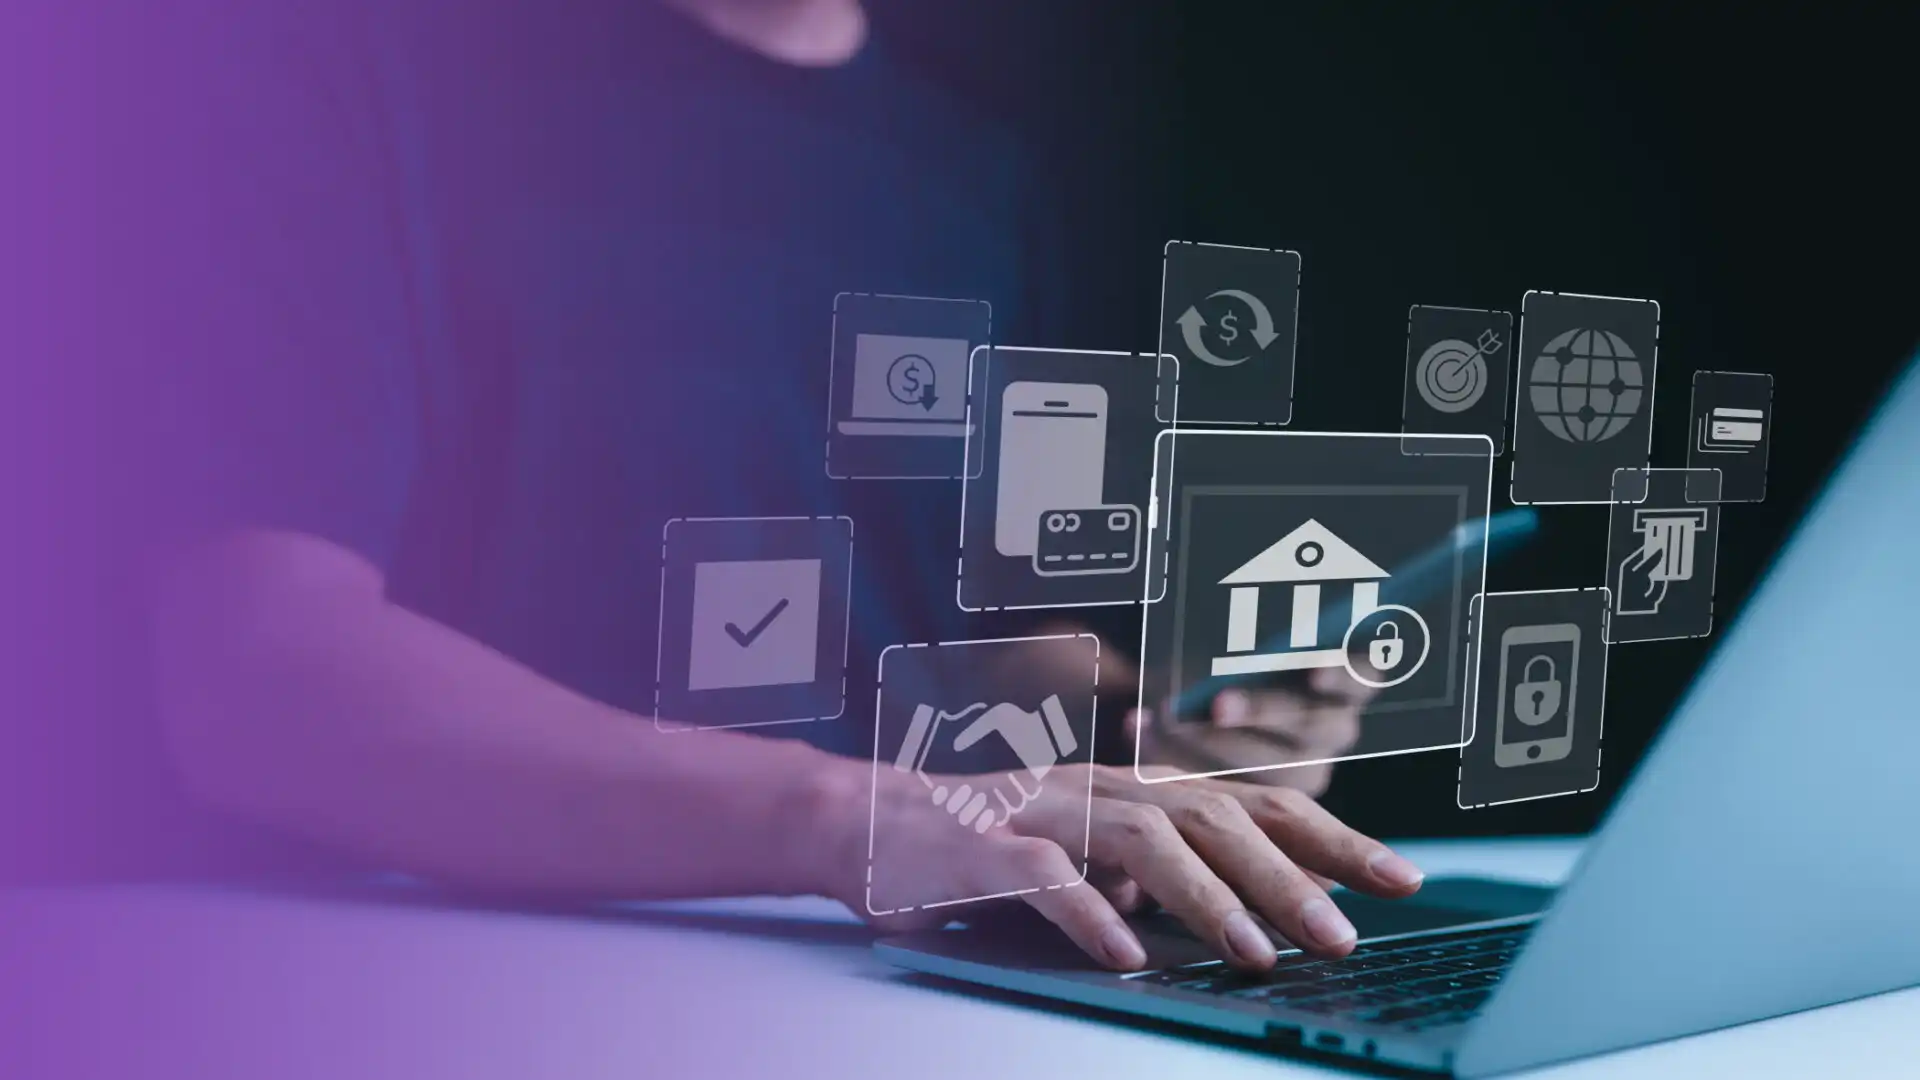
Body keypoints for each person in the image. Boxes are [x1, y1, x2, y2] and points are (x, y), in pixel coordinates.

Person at [71, 0, 1426, 973]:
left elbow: (945, 651)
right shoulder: (337, 62)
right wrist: (854, 818)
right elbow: (258, 685)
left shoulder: (974, 171)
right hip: (438, 977)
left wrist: (1159, 741)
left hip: (891, 977)